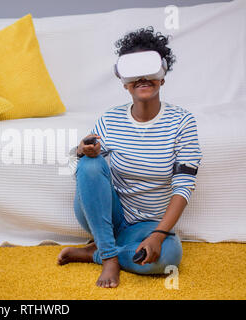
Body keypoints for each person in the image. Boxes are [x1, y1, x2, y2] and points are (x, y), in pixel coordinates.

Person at [57, 27, 203, 288]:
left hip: (147, 225)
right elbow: (76, 167)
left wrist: (159, 234)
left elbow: (184, 185)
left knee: (169, 257)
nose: (143, 77)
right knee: (90, 164)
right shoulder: (110, 119)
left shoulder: (182, 122)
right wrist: (81, 150)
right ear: (124, 81)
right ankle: (111, 258)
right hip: (107, 214)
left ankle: (96, 252)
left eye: (150, 69)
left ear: (163, 76)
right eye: (133, 73)